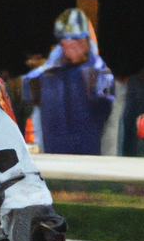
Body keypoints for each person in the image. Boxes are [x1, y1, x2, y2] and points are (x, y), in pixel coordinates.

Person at [23, 8, 114, 155]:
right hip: (54, 158)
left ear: (86, 40)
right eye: (66, 39)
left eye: (77, 39)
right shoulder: (46, 75)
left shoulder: (99, 73)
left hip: (88, 158)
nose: (71, 44)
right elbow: (30, 104)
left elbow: (105, 117)